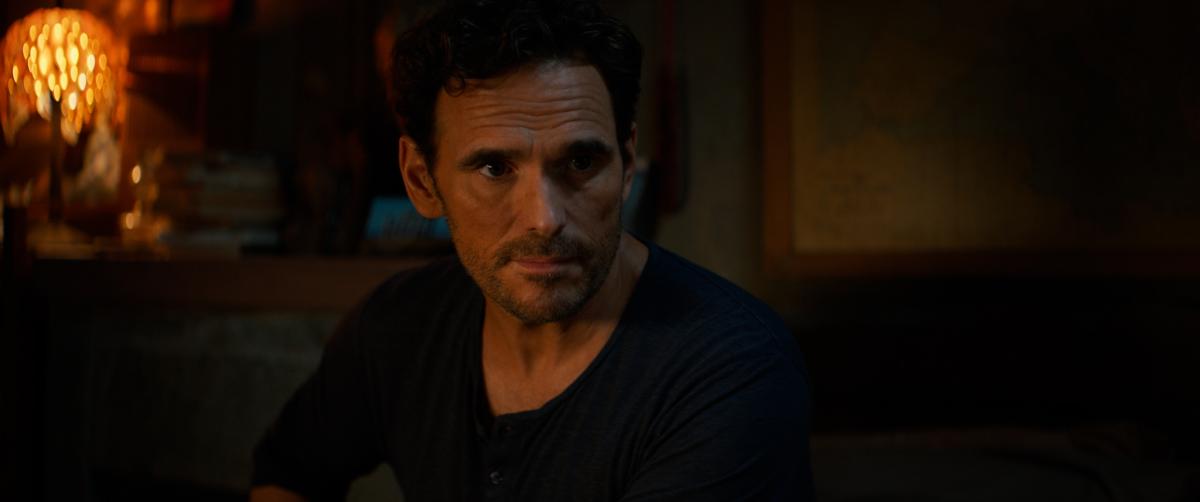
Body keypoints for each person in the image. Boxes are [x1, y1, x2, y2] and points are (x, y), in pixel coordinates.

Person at [250, 1, 812, 500]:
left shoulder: (730, 370)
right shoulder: (399, 326)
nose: (545, 219)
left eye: (581, 162)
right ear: (422, 181)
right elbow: (290, 471)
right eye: (495, 168)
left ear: (626, 165)